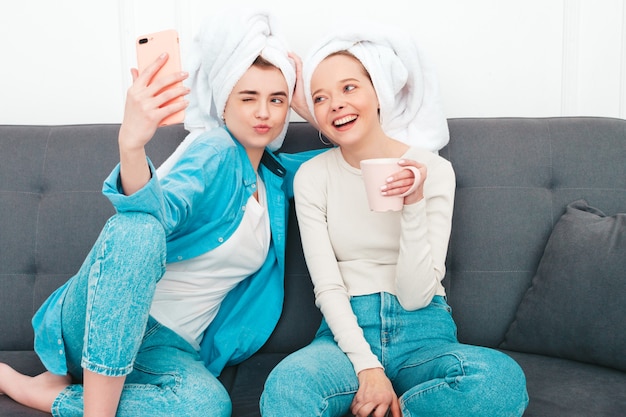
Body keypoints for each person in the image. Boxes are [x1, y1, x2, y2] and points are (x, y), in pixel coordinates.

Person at [0, 8, 324, 417]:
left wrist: (309, 108)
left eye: (276, 100)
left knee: (206, 407)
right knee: (138, 230)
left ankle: (42, 390)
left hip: (166, 348)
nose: (264, 112)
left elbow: (346, 164)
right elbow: (153, 217)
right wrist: (131, 147)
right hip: (103, 316)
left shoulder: (276, 180)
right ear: (224, 104)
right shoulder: (216, 151)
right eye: (248, 97)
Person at [261, 22, 529, 417]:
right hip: (344, 334)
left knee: (500, 383)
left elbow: (417, 293)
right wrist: (368, 368)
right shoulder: (313, 177)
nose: (335, 103)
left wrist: (414, 204)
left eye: (349, 88)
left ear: (378, 94)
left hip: (425, 333)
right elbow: (328, 287)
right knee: (286, 387)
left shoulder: (433, 171)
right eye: (321, 97)